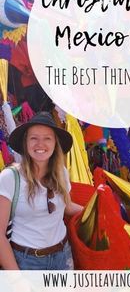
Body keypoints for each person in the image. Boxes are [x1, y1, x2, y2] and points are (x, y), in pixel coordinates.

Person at [0, 112, 83, 270]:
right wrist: (16, 279)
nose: (40, 144)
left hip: (63, 256)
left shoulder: (62, 173)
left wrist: (98, 211)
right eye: (34, 138)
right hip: (27, 262)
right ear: (25, 143)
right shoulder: (10, 178)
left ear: (55, 144)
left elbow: (67, 206)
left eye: (47, 138)